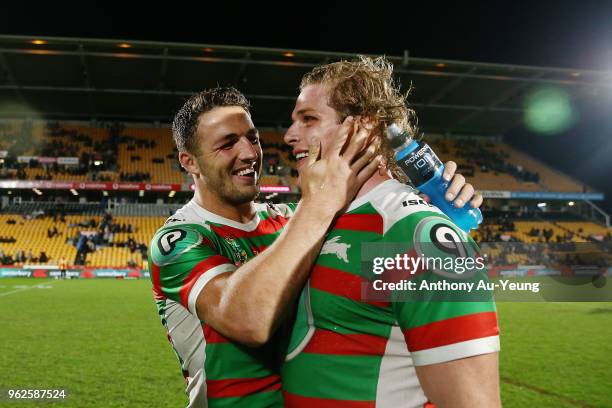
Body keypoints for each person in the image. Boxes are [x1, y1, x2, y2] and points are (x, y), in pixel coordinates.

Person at [150, 86, 482, 407]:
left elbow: (387, 257)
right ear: (189, 161)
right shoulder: (180, 240)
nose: (250, 153)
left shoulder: (292, 220)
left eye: (252, 138)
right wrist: (320, 201)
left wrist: (430, 207)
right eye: (227, 144)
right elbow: (249, 320)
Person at [281, 56, 499, 407]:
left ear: (363, 126)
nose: (290, 135)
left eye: (308, 119)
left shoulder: (416, 236)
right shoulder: (313, 219)